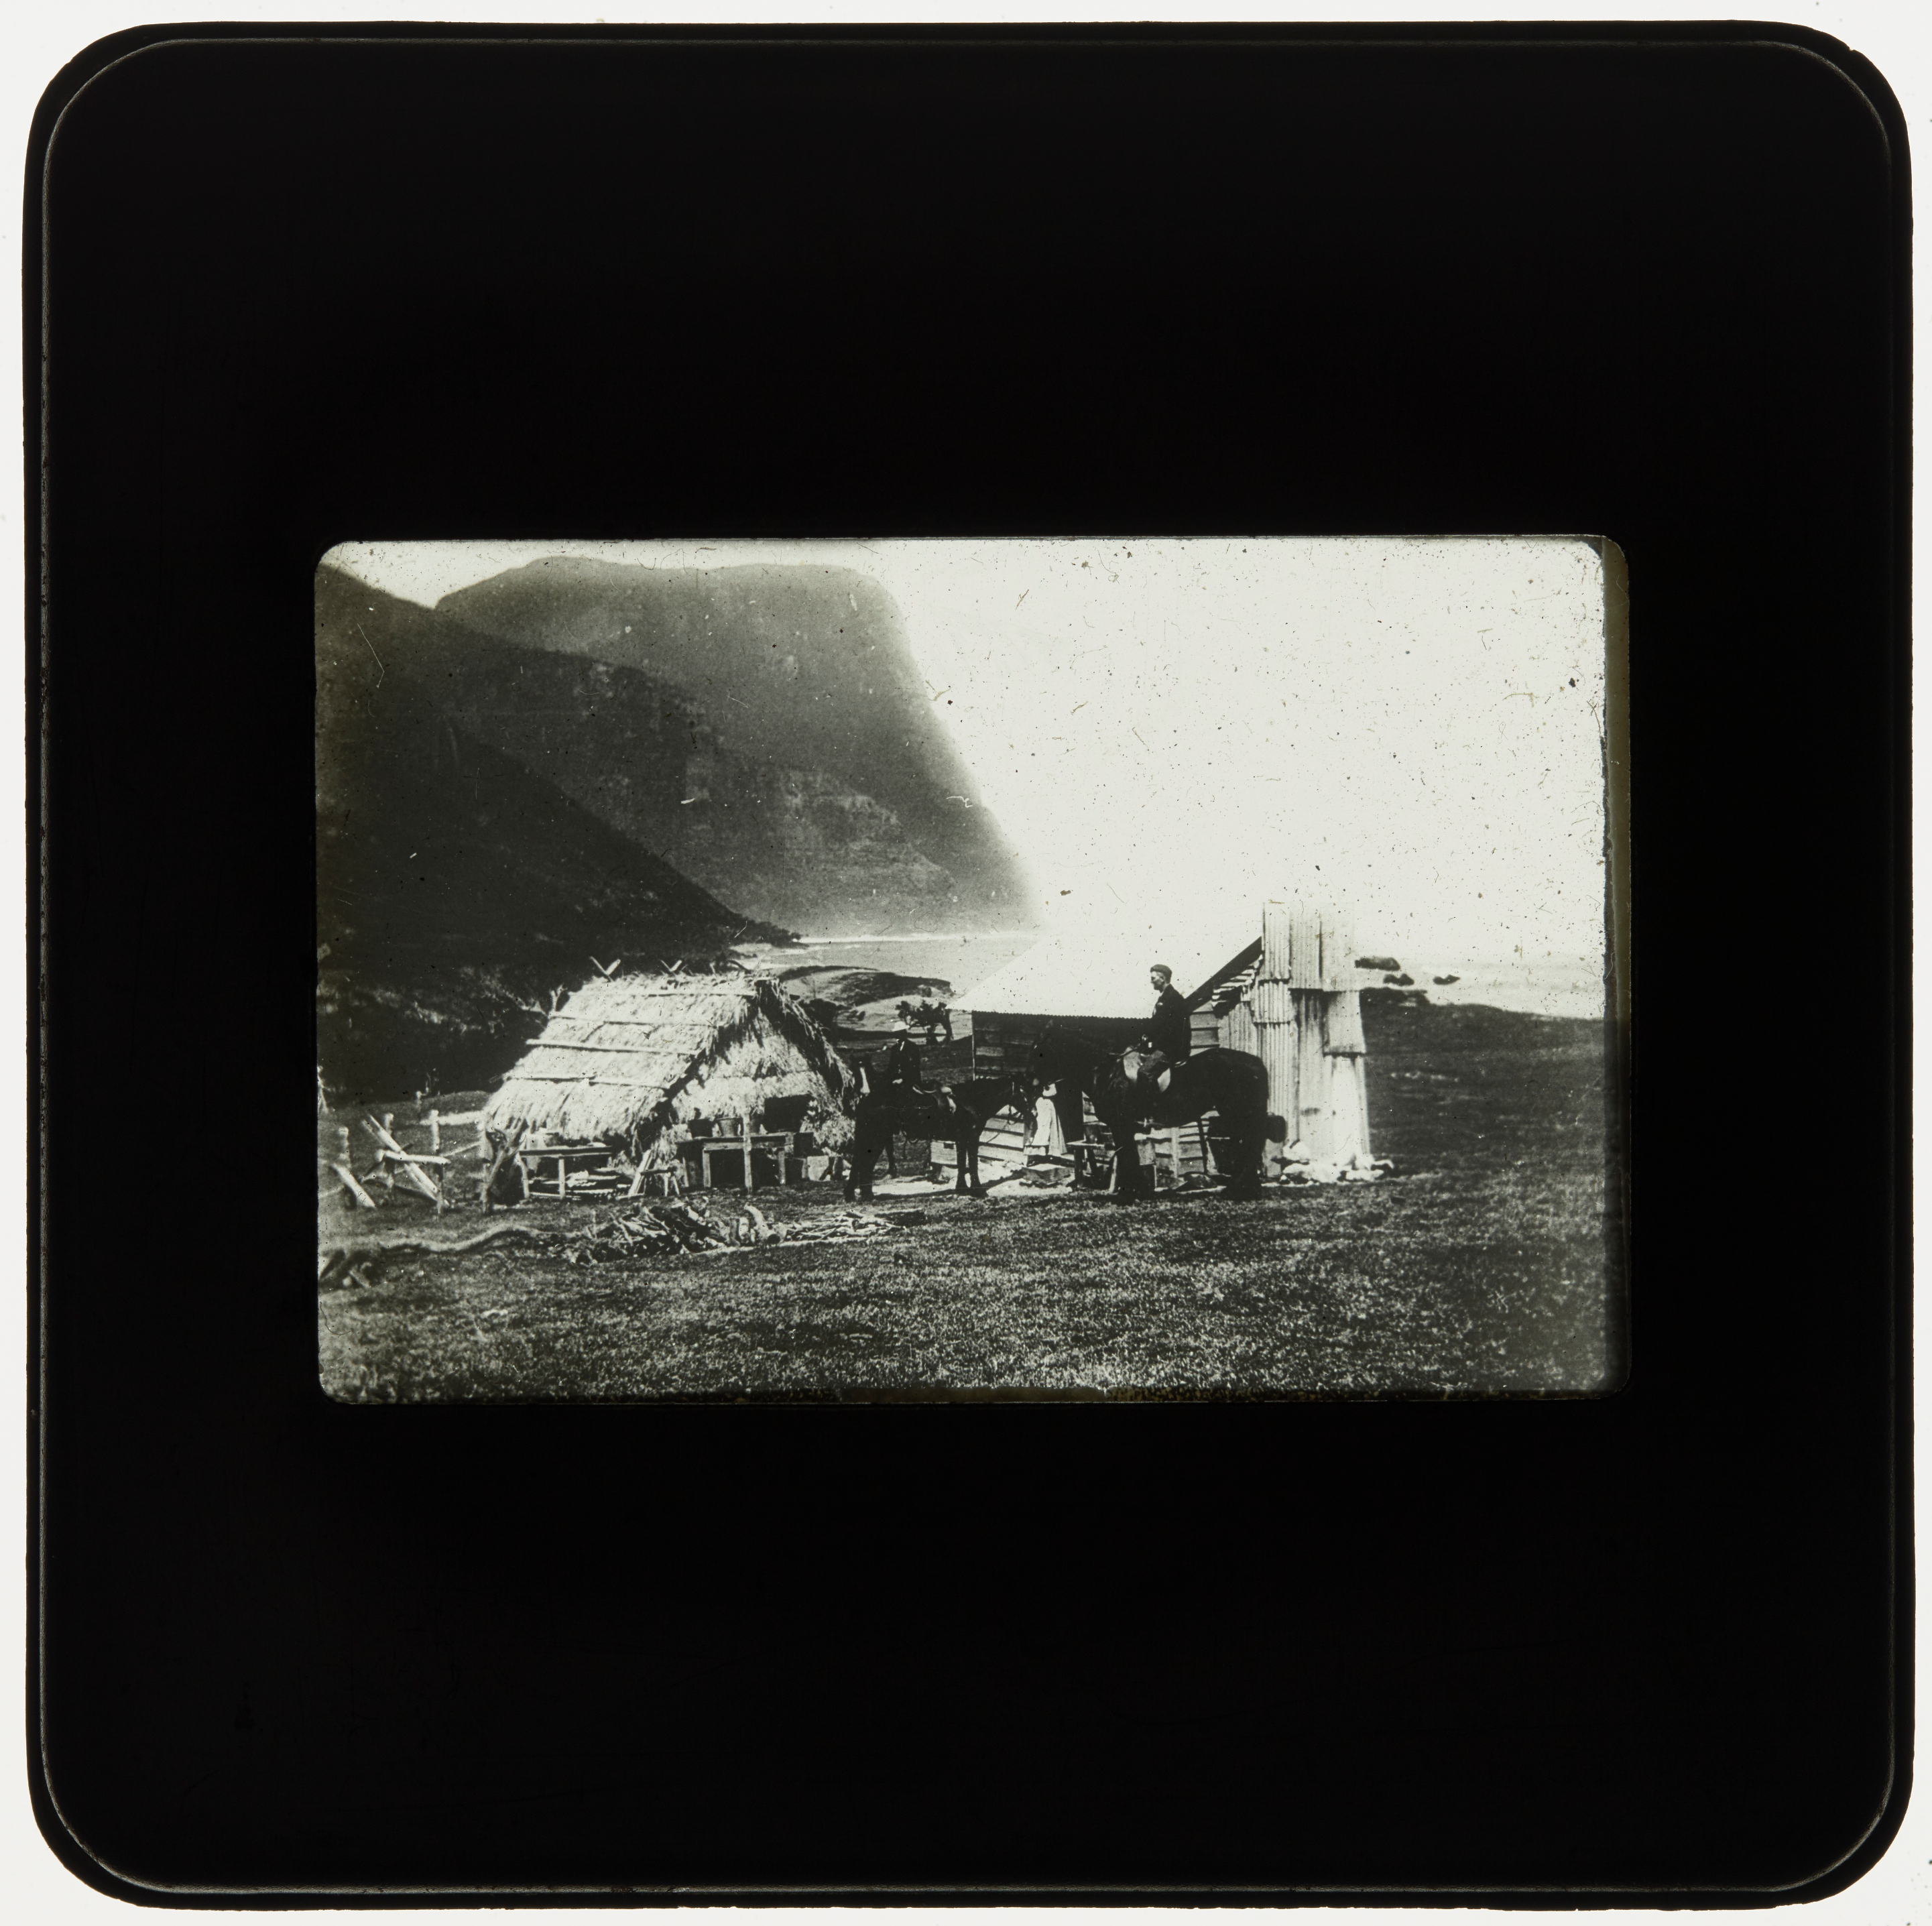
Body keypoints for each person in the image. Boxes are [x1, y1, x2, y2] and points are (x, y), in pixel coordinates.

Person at [1136, 963, 1192, 1098]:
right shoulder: (1165, 997)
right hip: (1166, 1047)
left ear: (1163, 978)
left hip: (1172, 1050)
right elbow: (1157, 1025)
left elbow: (1171, 1030)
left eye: (1153, 978)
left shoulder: (1173, 999)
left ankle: (1153, 1108)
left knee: (1144, 1073)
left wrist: (1154, 1044)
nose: (1151, 981)